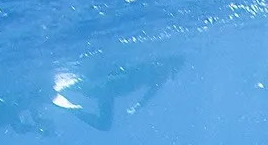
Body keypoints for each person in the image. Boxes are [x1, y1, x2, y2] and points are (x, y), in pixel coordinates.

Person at [52, 56, 184, 131]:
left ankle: (68, 104)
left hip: (107, 89)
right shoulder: (152, 69)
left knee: (103, 123)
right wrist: (138, 106)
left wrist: (137, 106)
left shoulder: (156, 73)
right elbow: (150, 91)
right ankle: (68, 104)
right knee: (78, 88)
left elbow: (151, 93)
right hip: (107, 88)